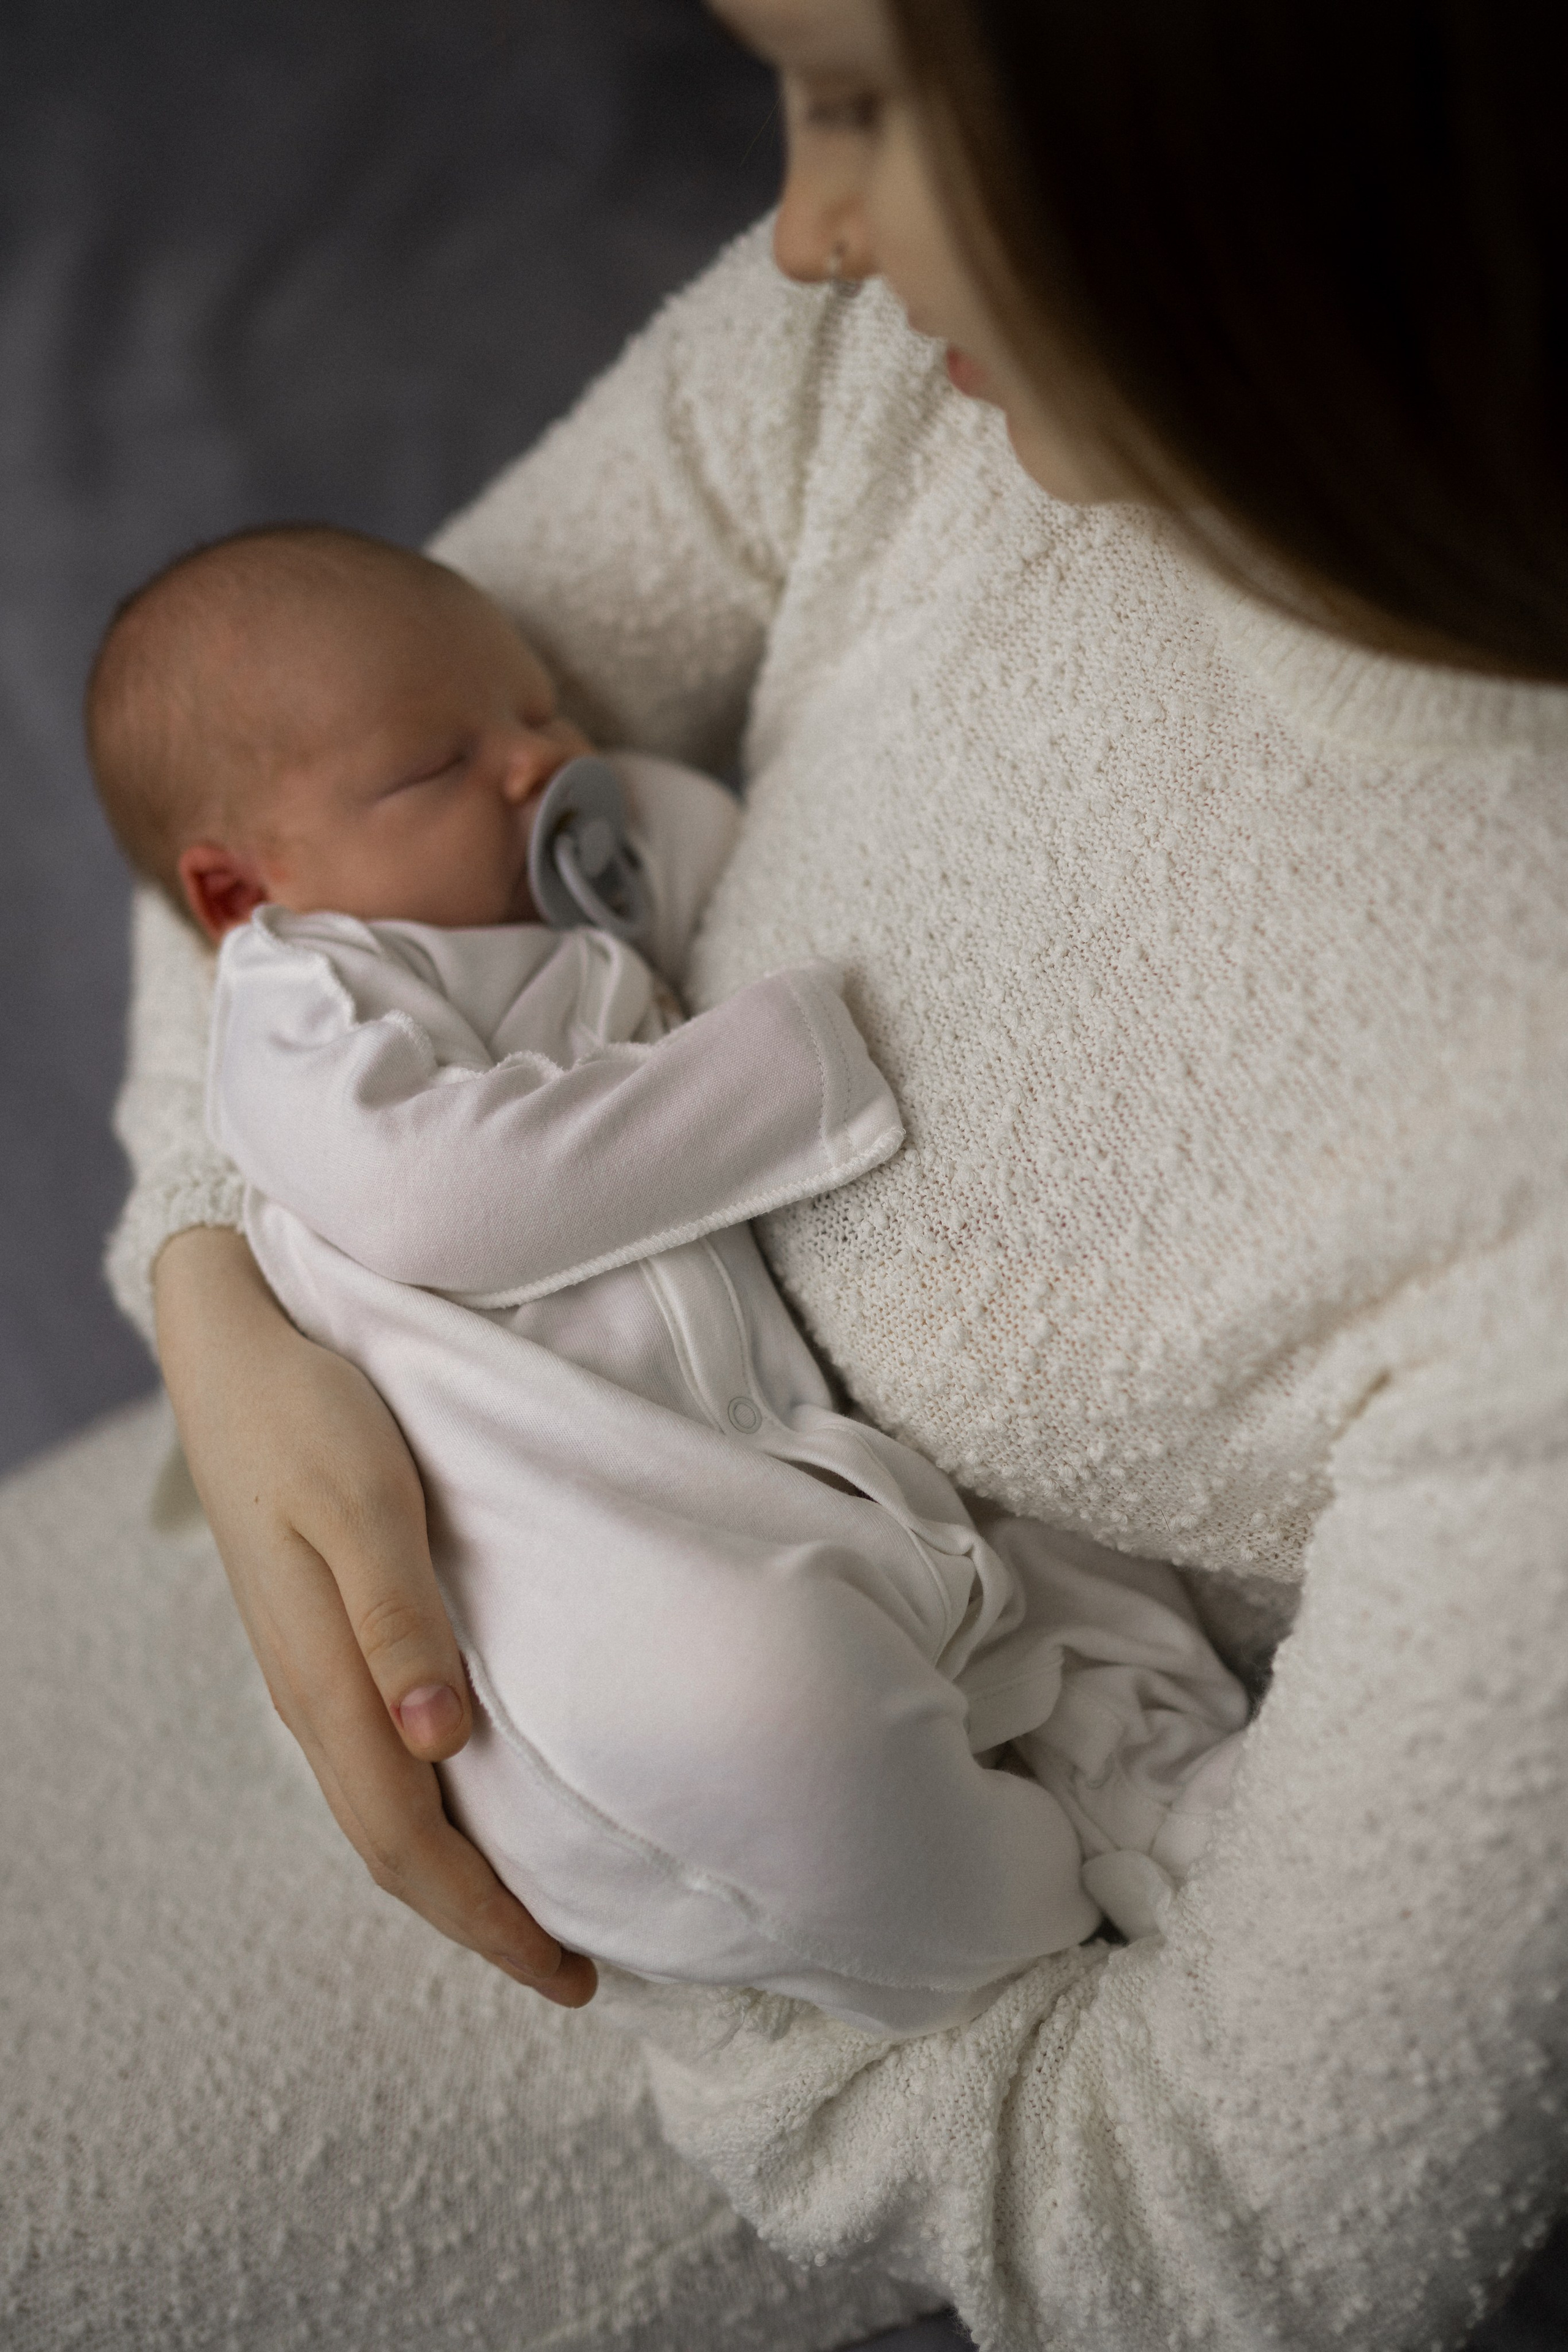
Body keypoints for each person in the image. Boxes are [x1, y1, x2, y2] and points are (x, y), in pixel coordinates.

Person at [108, 0, 1568, 2342]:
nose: (790, 228)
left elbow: (1213, 2221)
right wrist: (224, 1303)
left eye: (867, 99)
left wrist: (671, 1833)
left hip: (743, 1967)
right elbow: (270, 775)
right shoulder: (901, 360)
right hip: (284, 1562)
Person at [89, 522, 1248, 2032]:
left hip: (778, 1461)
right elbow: (445, 1196)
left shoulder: (570, 897)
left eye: (536, 708)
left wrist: (649, 836)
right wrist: (777, 1074)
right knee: (782, 1724)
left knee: (1049, 1565)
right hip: (572, 1590)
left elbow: (753, 858)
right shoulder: (305, 997)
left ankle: (1161, 1793)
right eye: (438, 765)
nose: (532, 761)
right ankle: (1030, 1944)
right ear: (244, 891)